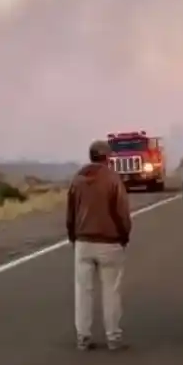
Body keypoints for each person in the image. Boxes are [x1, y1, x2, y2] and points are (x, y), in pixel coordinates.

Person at [66, 139, 132, 351]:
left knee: (83, 291)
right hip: (109, 242)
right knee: (111, 291)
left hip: (83, 241)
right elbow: (122, 213)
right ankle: (113, 337)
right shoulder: (113, 179)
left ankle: (83, 337)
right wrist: (124, 235)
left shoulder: (77, 180)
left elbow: (70, 215)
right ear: (107, 157)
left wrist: (73, 237)